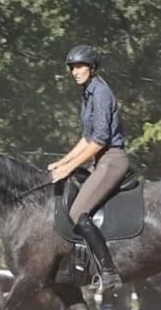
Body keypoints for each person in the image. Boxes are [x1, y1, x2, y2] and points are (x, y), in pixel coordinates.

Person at [48, 44, 129, 292]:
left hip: (112, 158)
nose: (75, 71)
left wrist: (69, 166)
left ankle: (108, 272)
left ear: (92, 68)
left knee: (78, 211)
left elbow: (100, 140)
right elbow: (86, 137)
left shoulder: (101, 93)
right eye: (72, 67)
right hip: (100, 158)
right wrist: (63, 162)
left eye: (80, 66)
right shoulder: (88, 94)